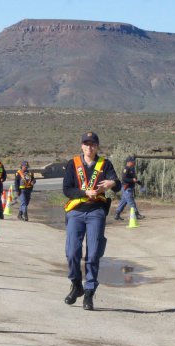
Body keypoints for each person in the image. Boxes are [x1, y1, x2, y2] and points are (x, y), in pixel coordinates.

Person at [63, 131, 121, 310]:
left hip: (96, 211)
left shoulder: (105, 164)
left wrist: (112, 183)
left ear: (97, 146)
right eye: (86, 144)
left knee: (93, 253)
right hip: (76, 211)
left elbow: (117, 184)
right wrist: (84, 192)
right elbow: (67, 189)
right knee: (72, 252)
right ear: (81, 146)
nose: (89, 147)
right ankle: (76, 284)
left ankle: (89, 292)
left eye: (93, 144)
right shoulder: (73, 163)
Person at [114, 156, 145, 220]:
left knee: (123, 202)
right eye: (132, 161)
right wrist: (132, 180)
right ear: (128, 162)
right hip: (126, 188)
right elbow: (124, 179)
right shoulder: (126, 169)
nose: (134, 162)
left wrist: (140, 183)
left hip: (130, 188)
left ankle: (117, 214)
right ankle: (136, 214)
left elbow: (134, 179)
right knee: (131, 201)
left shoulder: (132, 169)